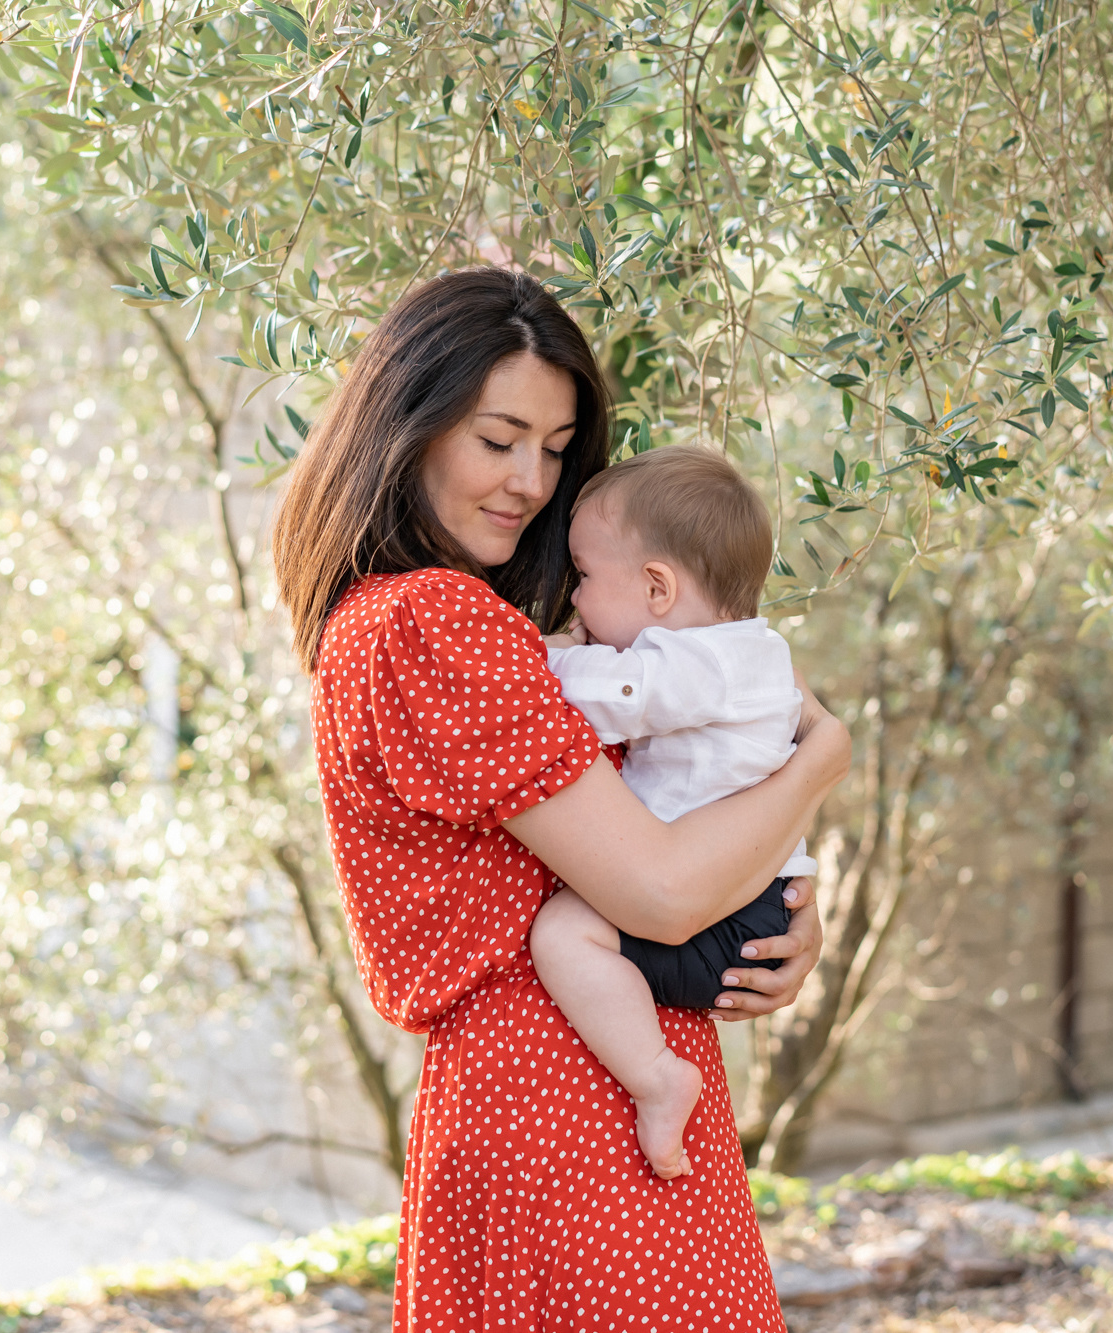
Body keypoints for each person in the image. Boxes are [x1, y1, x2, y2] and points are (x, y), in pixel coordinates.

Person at [272, 265, 850, 1331]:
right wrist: (819, 764)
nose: (529, 482)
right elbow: (660, 890)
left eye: (552, 449)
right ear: (409, 424)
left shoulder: (427, 621)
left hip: (584, 1076)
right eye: (497, 440)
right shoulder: (432, 622)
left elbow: (699, 801)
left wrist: (772, 919)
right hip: (564, 1095)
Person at [531, 445, 818, 1181]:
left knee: (564, 932)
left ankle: (656, 1076)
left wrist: (538, 653)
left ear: (658, 588)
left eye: (585, 579)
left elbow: (620, 697)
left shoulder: (702, 665)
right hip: (749, 901)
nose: (576, 602)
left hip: (726, 912)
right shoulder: (754, 655)